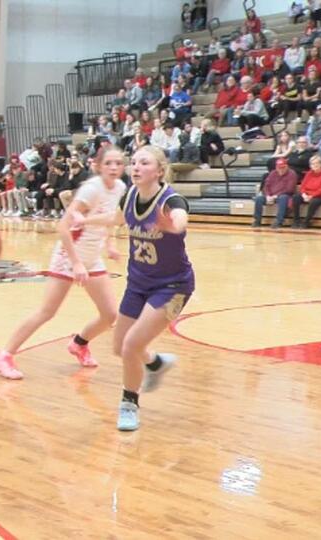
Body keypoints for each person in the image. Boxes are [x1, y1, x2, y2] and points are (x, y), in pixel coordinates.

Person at [84, 146, 194, 431]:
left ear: (159, 170)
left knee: (132, 344)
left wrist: (173, 226)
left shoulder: (171, 200)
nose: (135, 167)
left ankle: (129, 404)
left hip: (173, 285)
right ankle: (155, 364)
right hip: (138, 282)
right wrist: (85, 219)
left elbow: (180, 219)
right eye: (133, 162)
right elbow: (116, 219)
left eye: (144, 163)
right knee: (120, 347)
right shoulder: (131, 195)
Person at [0, 148, 127, 379]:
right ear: (98, 165)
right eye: (109, 163)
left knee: (109, 314)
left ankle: (79, 344)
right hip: (69, 255)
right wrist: (76, 263)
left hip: (92, 256)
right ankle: (4, 355)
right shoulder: (91, 189)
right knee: (47, 311)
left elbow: (110, 219)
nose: (114, 167)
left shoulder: (120, 187)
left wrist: (110, 244)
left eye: (118, 163)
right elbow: (63, 226)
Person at [252, 158, 298, 228]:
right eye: (279, 168)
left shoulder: (292, 174)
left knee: (283, 198)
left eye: (283, 167)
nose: (281, 169)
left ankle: (279, 221)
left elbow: (289, 189)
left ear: (287, 166)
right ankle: (257, 220)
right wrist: (268, 195)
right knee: (259, 199)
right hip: (271, 196)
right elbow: (266, 186)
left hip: (284, 196)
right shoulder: (273, 173)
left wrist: (276, 196)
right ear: (276, 167)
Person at [292, 155, 321, 229]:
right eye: (313, 164)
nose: (315, 165)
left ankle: (306, 221)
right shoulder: (309, 173)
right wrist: (304, 194)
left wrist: (312, 196)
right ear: (310, 165)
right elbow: (303, 186)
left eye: (317, 163)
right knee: (296, 197)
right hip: (308, 194)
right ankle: (296, 220)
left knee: (314, 201)